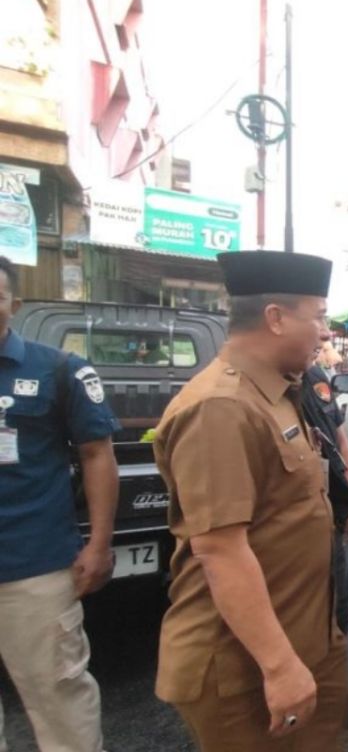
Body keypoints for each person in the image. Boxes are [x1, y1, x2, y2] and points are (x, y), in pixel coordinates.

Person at [153, 251, 348, 751]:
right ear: (276, 318)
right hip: (246, 669)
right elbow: (219, 549)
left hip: (304, 640)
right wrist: (280, 666)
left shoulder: (278, 392)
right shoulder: (221, 407)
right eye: (319, 316)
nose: (326, 332)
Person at [0, 256, 120, 751]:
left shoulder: (58, 369)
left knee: (57, 696)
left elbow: (96, 454)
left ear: (14, 305)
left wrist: (99, 544)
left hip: (33, 566)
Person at [300, 357, 348, 732]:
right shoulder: (247, 392)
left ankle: (335, 698)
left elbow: (339, 440)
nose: (324, 333)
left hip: (329, 518)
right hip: (290, 533)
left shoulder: (314, 376)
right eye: (317, 319)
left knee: (337, 609)